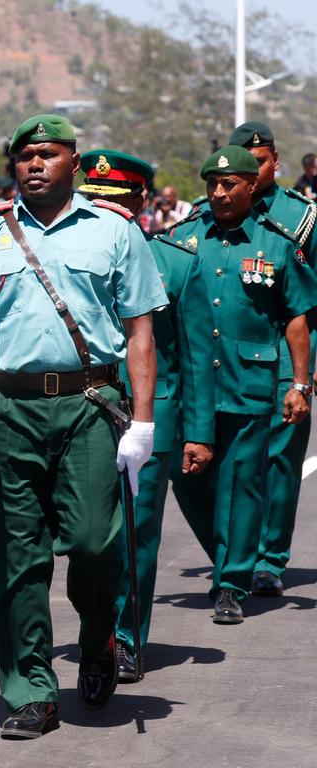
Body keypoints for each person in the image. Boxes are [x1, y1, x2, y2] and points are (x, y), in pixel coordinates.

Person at [0, 114, 167, 738]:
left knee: (96, 542)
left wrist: (142, 423)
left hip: (89, 404)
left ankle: (97, 642)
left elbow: (141, 331)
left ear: (74, 160)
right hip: (10, 406)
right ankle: (32, 690)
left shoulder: (115, 232)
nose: (34, 164)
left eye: (48, 154)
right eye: (24, 156)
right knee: (19, 558)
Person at [78, 149, 216, 681]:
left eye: (116, 202)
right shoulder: (69, 256)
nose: (105, 211)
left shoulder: (177, 261)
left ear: (141, 203)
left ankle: (126, 637)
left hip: (151, 415)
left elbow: (198, 356)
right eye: (94, 201)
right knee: (88, 534)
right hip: (83, 409)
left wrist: (198, 433)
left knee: (136, 531)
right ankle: (95, 627)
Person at [169, 146, 317, 624]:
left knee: (241, 483)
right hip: (193, 383)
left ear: (252, 186)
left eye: (229, 184)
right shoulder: (181, 237)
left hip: (249, 381)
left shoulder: (276, 243)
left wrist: (298, 383)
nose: (218, 192)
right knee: (185, 475)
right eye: (212, 183)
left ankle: (230, 582)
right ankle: (233, 551)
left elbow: (296, 317)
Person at [226, 122, 317, 598]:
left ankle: (269, 558)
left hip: (289, 345)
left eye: (260, 161)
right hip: (234, 349)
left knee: (280, 455)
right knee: (236, 456)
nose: (253, 169)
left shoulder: (303, 217)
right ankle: (236, 549)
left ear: (275, 161)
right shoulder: (217, 208)